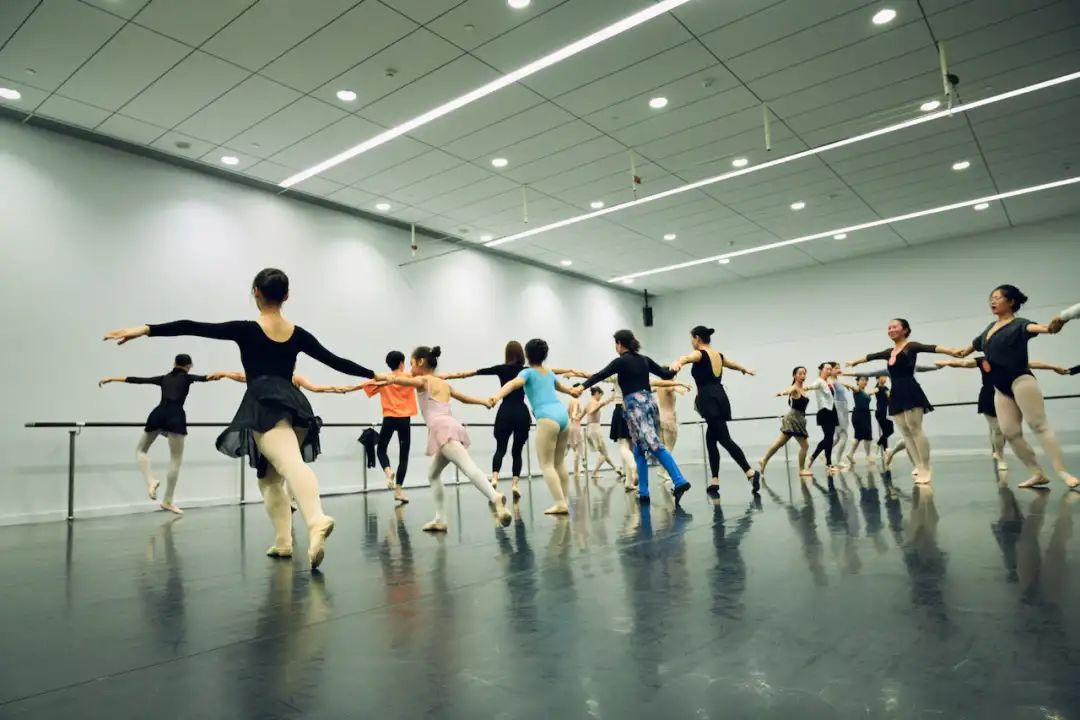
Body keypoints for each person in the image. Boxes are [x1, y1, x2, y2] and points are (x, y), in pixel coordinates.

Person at [104, 268, 375, 570]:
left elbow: (191, 327)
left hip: (264, 403)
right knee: (270, 478)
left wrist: (145, 329)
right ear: (286, 295)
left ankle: (316, 519)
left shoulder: (246, 330)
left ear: (256, 292)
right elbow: (335, 361)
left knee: (289, 464)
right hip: (296, 404)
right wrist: (374, 375)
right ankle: (283, 542)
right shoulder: (298, 334)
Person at [374, 346, 513, 531]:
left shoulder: (422, 380)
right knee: (433, 474)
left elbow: (401, 380)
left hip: (442, 429)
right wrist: (484, 402)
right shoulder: (443, 383)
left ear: (420, 362)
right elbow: (463, 398)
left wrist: (382, 377)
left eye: (412, 363)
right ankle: (440, 520)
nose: (410, 368)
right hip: (450, 426)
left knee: (468, 467)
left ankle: (495, 497)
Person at [952, 285, 1078, 489]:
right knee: (1009, 432)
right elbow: (965, 351)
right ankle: (1037, 473)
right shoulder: (988, 329)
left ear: (1011, 302)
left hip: (1021, 380)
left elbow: (1045, 329)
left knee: (1039, 425)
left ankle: (1063, 471)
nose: (992, 301)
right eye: (991, 298)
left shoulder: (1019, 324)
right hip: (1000, 387)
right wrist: (948, 353)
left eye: (997, 298)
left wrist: (1058, 322)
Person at [572, 330, 691, 504]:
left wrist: (582, 387)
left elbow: (599, 375)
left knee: (654, 444)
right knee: (639, 448)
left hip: (635, 407)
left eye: (616, 344)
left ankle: (679, 480)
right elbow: (666, 374)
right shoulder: (644, 359)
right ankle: (643, 491)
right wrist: (676, 367)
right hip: (649, 404)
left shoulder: (620, 361)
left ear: (620, 344)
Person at [98, 354, 226, 514]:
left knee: (140, 450)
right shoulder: (188, 378)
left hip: (158, 414)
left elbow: (138, 380)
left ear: (174, 363)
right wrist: (226, 374)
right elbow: (209, 377)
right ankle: (167, 501)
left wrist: (112, 379)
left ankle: (150, 481)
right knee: (176, 459)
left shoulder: (164, 378)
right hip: (175, 417)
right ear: (189, 366)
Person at [847, 319, 964, 484]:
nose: (890, 330)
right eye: (889, 327)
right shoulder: (889, 352)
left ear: (905, 330)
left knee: (915, 429)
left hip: (910, 389)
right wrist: (854, 362)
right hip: (896, 393)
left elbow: (932, 347)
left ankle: (926, 467)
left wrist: (952, 351)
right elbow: (871, 357)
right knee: (906, 433)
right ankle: (918, 466)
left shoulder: (911, 346)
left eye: (894, 327)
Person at [936, 355, 1069, 472]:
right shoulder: (983, 360)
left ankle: (1015, 457)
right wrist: (947, 362)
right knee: (998, 429)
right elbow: (964, 363)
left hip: (1008, 394)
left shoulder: (1011, 358)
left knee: (1009, 429)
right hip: (989, 395)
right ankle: (1000, 457)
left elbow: (1033, 363)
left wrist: (1054, 366)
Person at [670, 325, 760, 495]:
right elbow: (732, 364)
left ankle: (749, 472)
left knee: (724, 439)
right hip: (719, 396)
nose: (691, 342)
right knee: (711, 440)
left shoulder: (700, 353)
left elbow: (688, 358)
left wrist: (678, 362)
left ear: (697, 338)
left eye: (692, 339)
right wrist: (744, 369)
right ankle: (715, 480)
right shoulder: (718, 355)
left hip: (709, 399)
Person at [490, 339, 577, 515]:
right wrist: (572, 391)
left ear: (527, 355)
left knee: (546, 464)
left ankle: (560, 503)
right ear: (544, 355)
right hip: (562, 416)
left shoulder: (527, 373)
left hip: (547, 418)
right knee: (559, 463)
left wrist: (496, 396)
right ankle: (565, 500)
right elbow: (560, 387)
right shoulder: (549, 372)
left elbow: (512, 384)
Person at [440, 342, 530, 498]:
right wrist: (571, 372)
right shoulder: (526, 371)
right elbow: (548, 371)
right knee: (517, 451)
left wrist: (450, 375)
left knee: (500, 449)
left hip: (505, 411)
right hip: (521, 412)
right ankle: (515, 484)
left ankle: (494, 479)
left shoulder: (501, 368)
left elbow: (477, 372)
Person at [359, 351, 416, 504]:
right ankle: (398, 491)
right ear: (402, 363)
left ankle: (388, 470)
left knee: (381, 449)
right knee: (403, 456)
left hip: (389, 419)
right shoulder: (409, 377)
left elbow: (367, 387)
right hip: (404, 420)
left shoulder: (385, 378)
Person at [759, 366, 811, 476]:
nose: (803, 376)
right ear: (794, 376)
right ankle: (802, 470)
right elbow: (789, 390)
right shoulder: (794, 388)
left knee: (779, 443)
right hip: (793, 419)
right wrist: (782, 393)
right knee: (805, 446)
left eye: (804, 373)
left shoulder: (803, 388)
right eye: (800, 373)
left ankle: (764, 460)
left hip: (799, 419)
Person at [802, 363, 845, 475]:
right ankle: (828, 464)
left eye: (830, 369)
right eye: (827, 369)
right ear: (821, 370)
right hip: (825, 411)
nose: (829, 371)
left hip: (832, 411)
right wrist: (804, 388)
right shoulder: (819, 381)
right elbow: (813, 386)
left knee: (828, 438)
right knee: (828, 438)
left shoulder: (828, 382)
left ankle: (813, 458)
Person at [582, 387, 620, 480]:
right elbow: (591, 411)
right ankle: (594, 472)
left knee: (604, 452)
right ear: (596, 393)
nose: (600, 398)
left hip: (590, 429)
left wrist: (614, 393)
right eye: (600, 395)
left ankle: (616, 469)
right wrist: (600, 405)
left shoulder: (589, 403)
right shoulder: (594, 403)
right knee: (604, 453)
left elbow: (581, 415)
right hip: (595, 429)